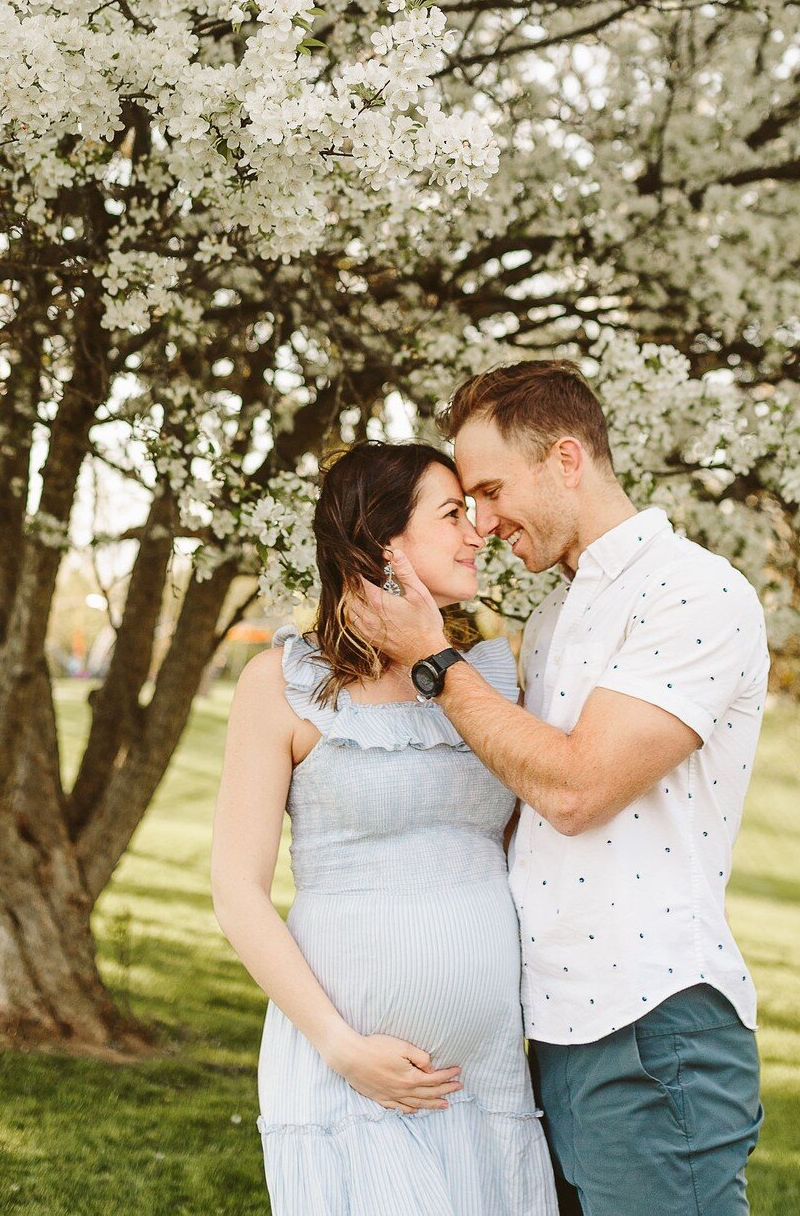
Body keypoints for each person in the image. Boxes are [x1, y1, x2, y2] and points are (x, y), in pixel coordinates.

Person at [352, 361, 770, 1216]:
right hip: (549, 1032)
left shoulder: (695, 593)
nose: (482, 522)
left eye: (492, 490)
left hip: (652, 1028)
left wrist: (433, 659)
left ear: (566, 461)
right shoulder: (552, 619)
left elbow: (578, 792)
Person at [211, 441, 558, 1216]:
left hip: (487, 1082)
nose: (477, 533)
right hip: (349, 1081)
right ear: (381, 540)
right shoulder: (283, 685)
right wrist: (342, 1048)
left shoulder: (494, 675)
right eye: (452, 514)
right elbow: (236, 892)